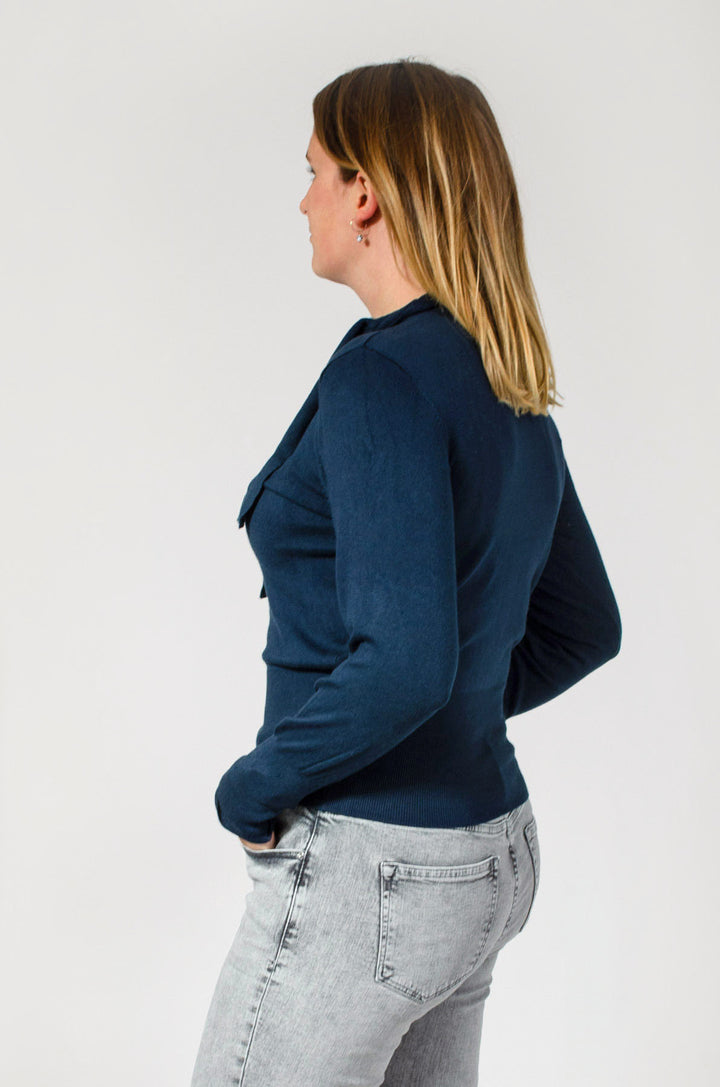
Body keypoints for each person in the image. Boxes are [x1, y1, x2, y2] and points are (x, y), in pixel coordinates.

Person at [191, 58, 622, 1087]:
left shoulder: (380, 377)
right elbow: (585, 627)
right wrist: (447, 705)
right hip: (486, 853)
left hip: (370, 867)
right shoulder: (505, 374)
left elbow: (408, 661)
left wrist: (252, 785)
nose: (303, 201)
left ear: (366, 195)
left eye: (315, 172)